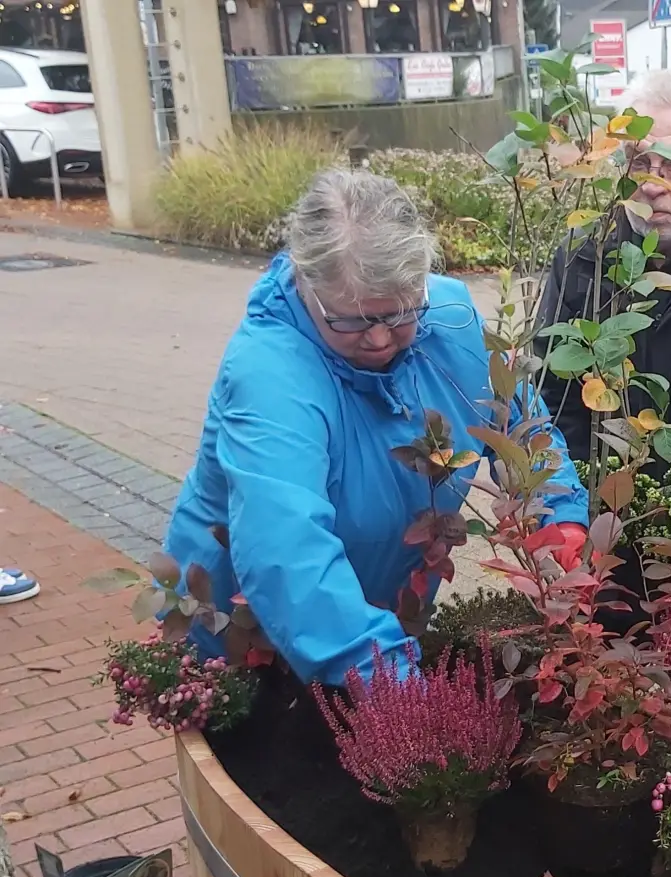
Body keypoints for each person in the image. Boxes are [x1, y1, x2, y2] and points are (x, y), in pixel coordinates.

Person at [162, 169, 588, 687]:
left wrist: (561, 515)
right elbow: (287, 554)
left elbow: (521, 426)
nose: (382, 338)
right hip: (248, 637)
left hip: (382, 613)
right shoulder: (269, 375)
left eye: (401, 312)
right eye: (353, 320)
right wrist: (394, 683)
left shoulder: (449, 316)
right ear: (305, 283)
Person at [539, 70, 671, 483]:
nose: (652, 185)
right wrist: (583, 505)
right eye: (640, 162)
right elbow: (554, 400)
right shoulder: (583, 260)